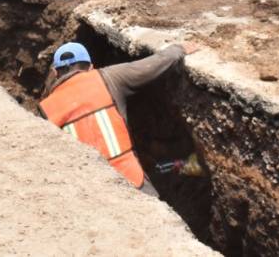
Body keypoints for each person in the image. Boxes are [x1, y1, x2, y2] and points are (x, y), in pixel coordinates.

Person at [39, 41, 198, 196]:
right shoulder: (107, 78)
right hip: (129, 179)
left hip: (88, 193)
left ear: (54, 73)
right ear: (91, 67)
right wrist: (178, 49)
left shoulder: (46, 109)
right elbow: (149, 66)